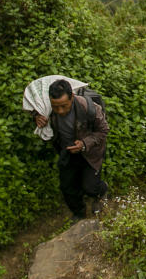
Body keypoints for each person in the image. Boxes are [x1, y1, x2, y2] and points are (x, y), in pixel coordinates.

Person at [34, 78, 109, 219]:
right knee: (67, 187)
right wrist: (37, 117)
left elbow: (103, 130)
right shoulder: (47, 107)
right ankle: (79, 213)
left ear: (72, 97)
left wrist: (84, 143)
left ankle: (101, 191)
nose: (60, 111)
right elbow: (36, 110)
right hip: (67, 150)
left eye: (64, 106)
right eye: (55, 106)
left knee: (90, 187)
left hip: (90, 152)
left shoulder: (89, 108)